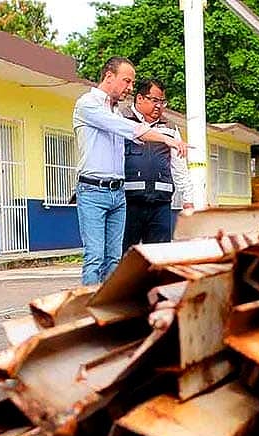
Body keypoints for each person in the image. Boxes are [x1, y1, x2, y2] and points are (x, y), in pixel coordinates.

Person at [73, 57, 188, 285]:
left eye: (132, 82)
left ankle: (111, 303)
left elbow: (134, 133)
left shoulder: (115, 112)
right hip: (93, 190)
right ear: (109, 76)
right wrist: (167, 139)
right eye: (127, 81)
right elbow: (130, 129)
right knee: (95, 257)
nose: (130, 87)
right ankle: (90, 305)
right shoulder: (87, 104)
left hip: (118, 193)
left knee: (115, 259)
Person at [120, 78, 193, 249]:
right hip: (128, 203)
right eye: (154, 100)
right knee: (125, 255)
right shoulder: (121, 120)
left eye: (162, 102)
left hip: (161, 204)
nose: (159, 106)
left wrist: (188, 201)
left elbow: (179, 167)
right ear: (139, 98)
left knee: (159, 255)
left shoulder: (170, 128)